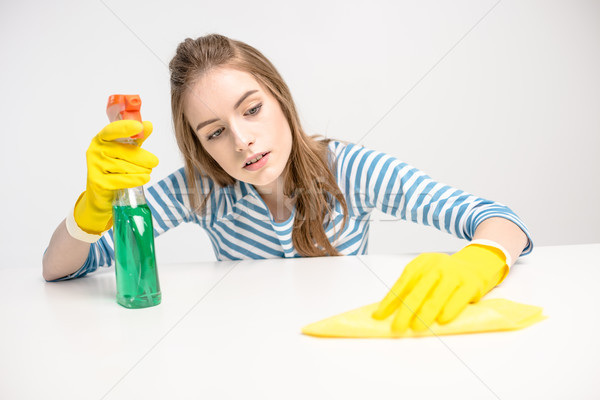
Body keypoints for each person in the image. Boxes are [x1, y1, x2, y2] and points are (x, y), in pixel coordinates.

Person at [43, 34, 532, 333]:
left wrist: (481, 259)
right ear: (200, 146)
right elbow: (60, 270)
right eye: (215, 132)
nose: (242, 142)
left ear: (280, 98)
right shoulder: (200, 189)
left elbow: (499, 220)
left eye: (251, 109)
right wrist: (90, 211)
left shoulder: (350, 171)